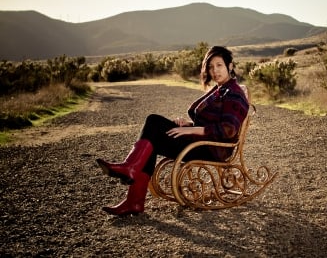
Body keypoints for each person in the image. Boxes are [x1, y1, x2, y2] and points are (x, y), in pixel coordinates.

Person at [96, 46, 250, 216]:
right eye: (211, 67)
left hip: (212, 148)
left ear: (230, 66)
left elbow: (227, 130)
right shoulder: (220, 89)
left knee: (154, 122)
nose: (214, 71)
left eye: (219, 65)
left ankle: (131, 177)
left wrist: (190, 131)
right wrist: (187, 126)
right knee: (153, 135)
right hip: (201, 141)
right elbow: (211, 122)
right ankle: (133, 200)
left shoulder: (234, 93)